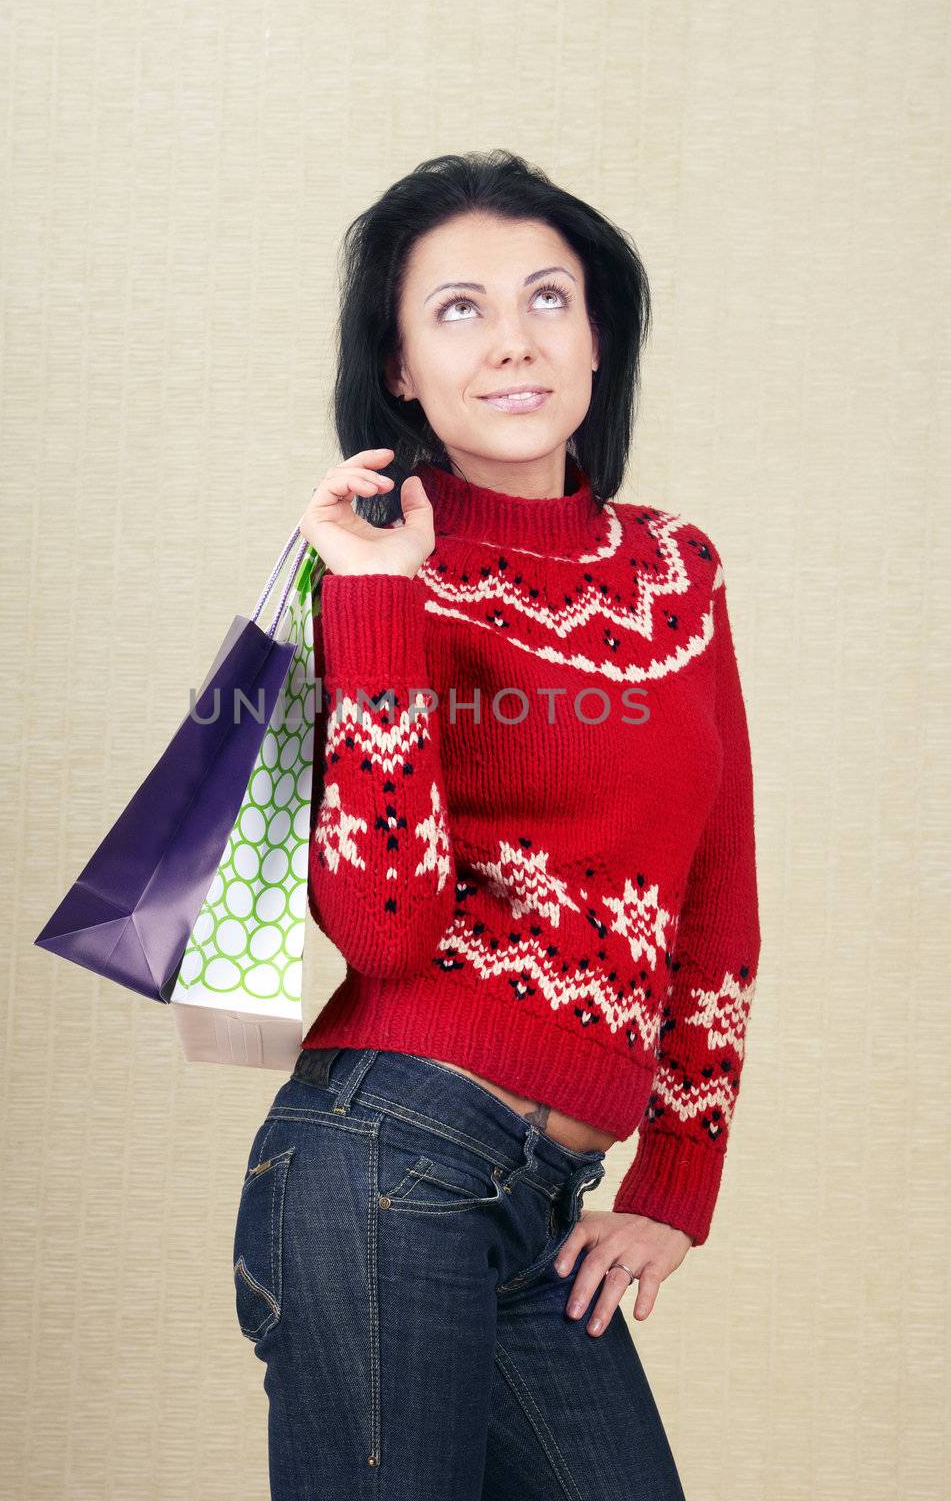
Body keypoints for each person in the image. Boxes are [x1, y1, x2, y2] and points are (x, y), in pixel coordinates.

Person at [232, 149, 761, 1499]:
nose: (514, 340)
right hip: (381, 1159)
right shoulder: (383, 579)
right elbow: (384, 928)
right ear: (400, 367)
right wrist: (375, 598)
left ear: (599, 337)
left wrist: (675, 1180)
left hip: (543, 1204)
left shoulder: (674, 572)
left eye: (549, 298)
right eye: (458, 309)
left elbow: (719, 890)